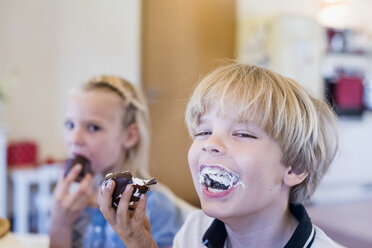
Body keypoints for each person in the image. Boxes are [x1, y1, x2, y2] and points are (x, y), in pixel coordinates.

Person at [99, 63, 343, 248]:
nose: (210, 143)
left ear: (295, 167)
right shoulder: (194, 232)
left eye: (242, 133)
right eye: (203, 131)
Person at [49, 75, 183, 248]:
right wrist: (60, 224)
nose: (75, 138)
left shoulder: (155, 207)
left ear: (130, 136)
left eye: (93, 127)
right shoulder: (69, 202)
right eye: (69, 125)